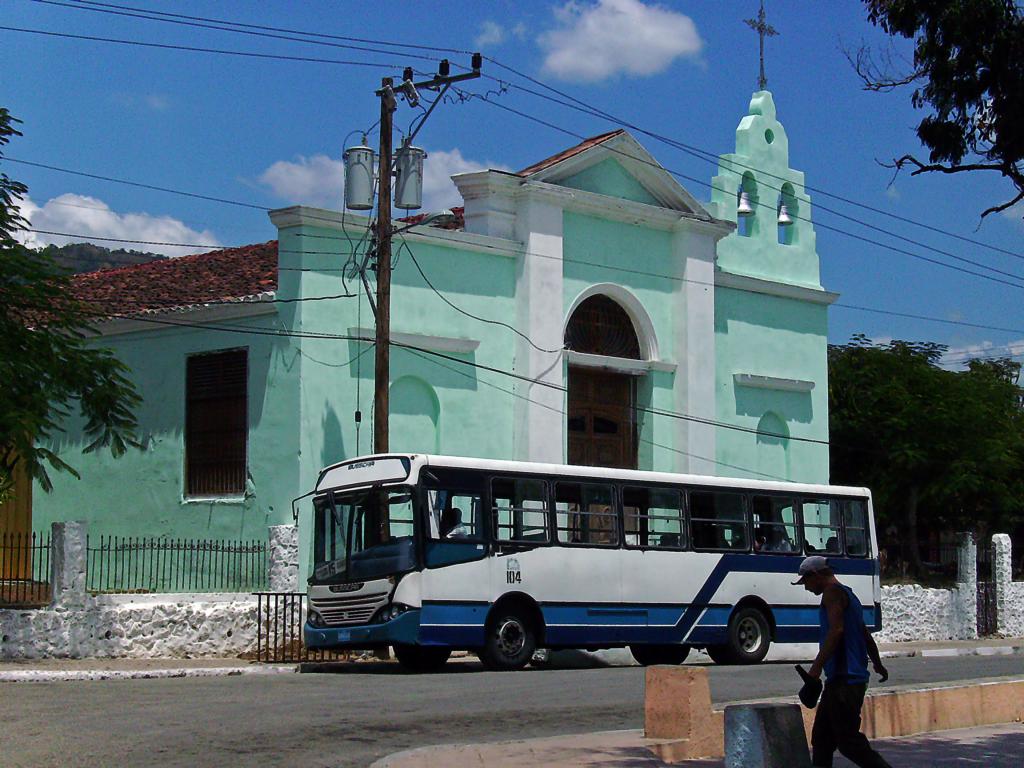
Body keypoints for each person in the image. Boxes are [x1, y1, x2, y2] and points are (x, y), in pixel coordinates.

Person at [793, 555, 892, 768]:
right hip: (841, 680)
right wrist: (877, 663)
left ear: (816, 575)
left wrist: (815, 669)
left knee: (847, 741)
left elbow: (836, 631)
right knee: (822, 739)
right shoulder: (850, 595)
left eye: (806, 582)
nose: (806, 588)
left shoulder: (832, 593)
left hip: (845, 681)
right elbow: (864, 634)